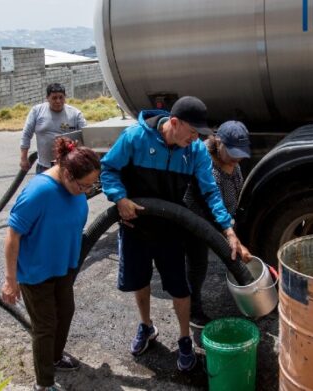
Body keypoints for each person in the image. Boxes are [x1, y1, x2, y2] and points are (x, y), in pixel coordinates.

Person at [100, 96, 251, 372]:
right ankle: (146, 326)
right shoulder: (135, 138)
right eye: (192, 132)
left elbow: (210, 193)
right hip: (135, 225)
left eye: (199, 134)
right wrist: (119, 199)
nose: (196, 139)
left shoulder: (194, 151)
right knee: (139, 280)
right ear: (174, 122)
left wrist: (228, 229)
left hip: (170, 228)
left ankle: (184, 339)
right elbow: (108, 169)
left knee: (180, 287)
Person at [2, 137, 100, 391]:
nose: (87, 191)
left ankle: (55, 358)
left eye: (92, 186)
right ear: (66, 173)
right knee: (45, 326)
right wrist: (11, 280)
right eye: (84, 186)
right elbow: (13, 236)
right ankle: (43, 384)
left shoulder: (74, 185)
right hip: (36, 272)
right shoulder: (39, 192)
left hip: (63, 268)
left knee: (65, 312)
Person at [183, 120, 252, 328]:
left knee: (235, 255)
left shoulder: (232, 163)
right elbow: (207, 206)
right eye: (232, 152)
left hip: (223, 221)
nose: (237, 158)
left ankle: (250, 298)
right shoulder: (205, 166)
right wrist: (231, 237)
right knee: (197, 265)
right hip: (198, 222)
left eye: (240, 153)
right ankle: (192, 311)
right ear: (218, 142)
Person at [20, 83, 87, 174]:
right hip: (44, 167)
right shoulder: (37, 111)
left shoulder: (75, 114)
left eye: (61, 97)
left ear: (65, 97)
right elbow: (26, 135)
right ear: (47, 98)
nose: (58, 101)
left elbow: (86, 136)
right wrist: (23, 158)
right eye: (54, 98)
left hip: (68, 168)